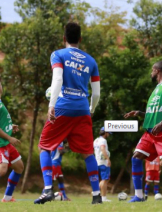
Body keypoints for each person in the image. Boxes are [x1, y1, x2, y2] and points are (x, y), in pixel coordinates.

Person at [35, 22, 101, 205]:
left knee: (45, 147)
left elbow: (57, 78)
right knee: (88, 152)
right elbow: (96, 93)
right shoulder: (91, 61)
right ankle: (97, 195)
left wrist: (51, 105)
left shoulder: (58, 54)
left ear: (64, 38)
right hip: (82, 109)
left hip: (63, 106)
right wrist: (91, 109)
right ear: (80, 39)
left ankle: (48, 189)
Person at [124, 60, 162, 202]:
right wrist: (139, 113)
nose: (151, 73)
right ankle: (139, 195)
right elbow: (154, 114)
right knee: (136, 157)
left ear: (157, 70)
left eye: (152, 70)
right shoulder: (156, 89)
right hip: (150, 133)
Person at [94, 127, 112, 202]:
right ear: (105, 133)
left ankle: (96, 190)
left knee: (106, 179)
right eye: (108, 133)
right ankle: (103, 197)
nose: (109, 135)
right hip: (103, 162)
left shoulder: (96, 140)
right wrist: (108, 159)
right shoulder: (103, 140)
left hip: (97, 161)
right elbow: (102, 149)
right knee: (105, 179)